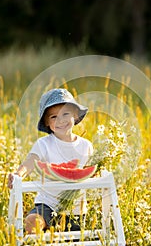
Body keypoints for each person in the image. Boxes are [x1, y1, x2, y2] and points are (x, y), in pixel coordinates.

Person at [8, 88, 93, 234]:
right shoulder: (43, 144)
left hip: (76, 209)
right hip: (47, 204)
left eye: (65, 114)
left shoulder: (86, 146)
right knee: (31, 222)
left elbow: (91, 170)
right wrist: (18, 174)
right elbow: (30, 162)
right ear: (47, 122)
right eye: (53, 117)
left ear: (75, 115)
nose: (60, 120)